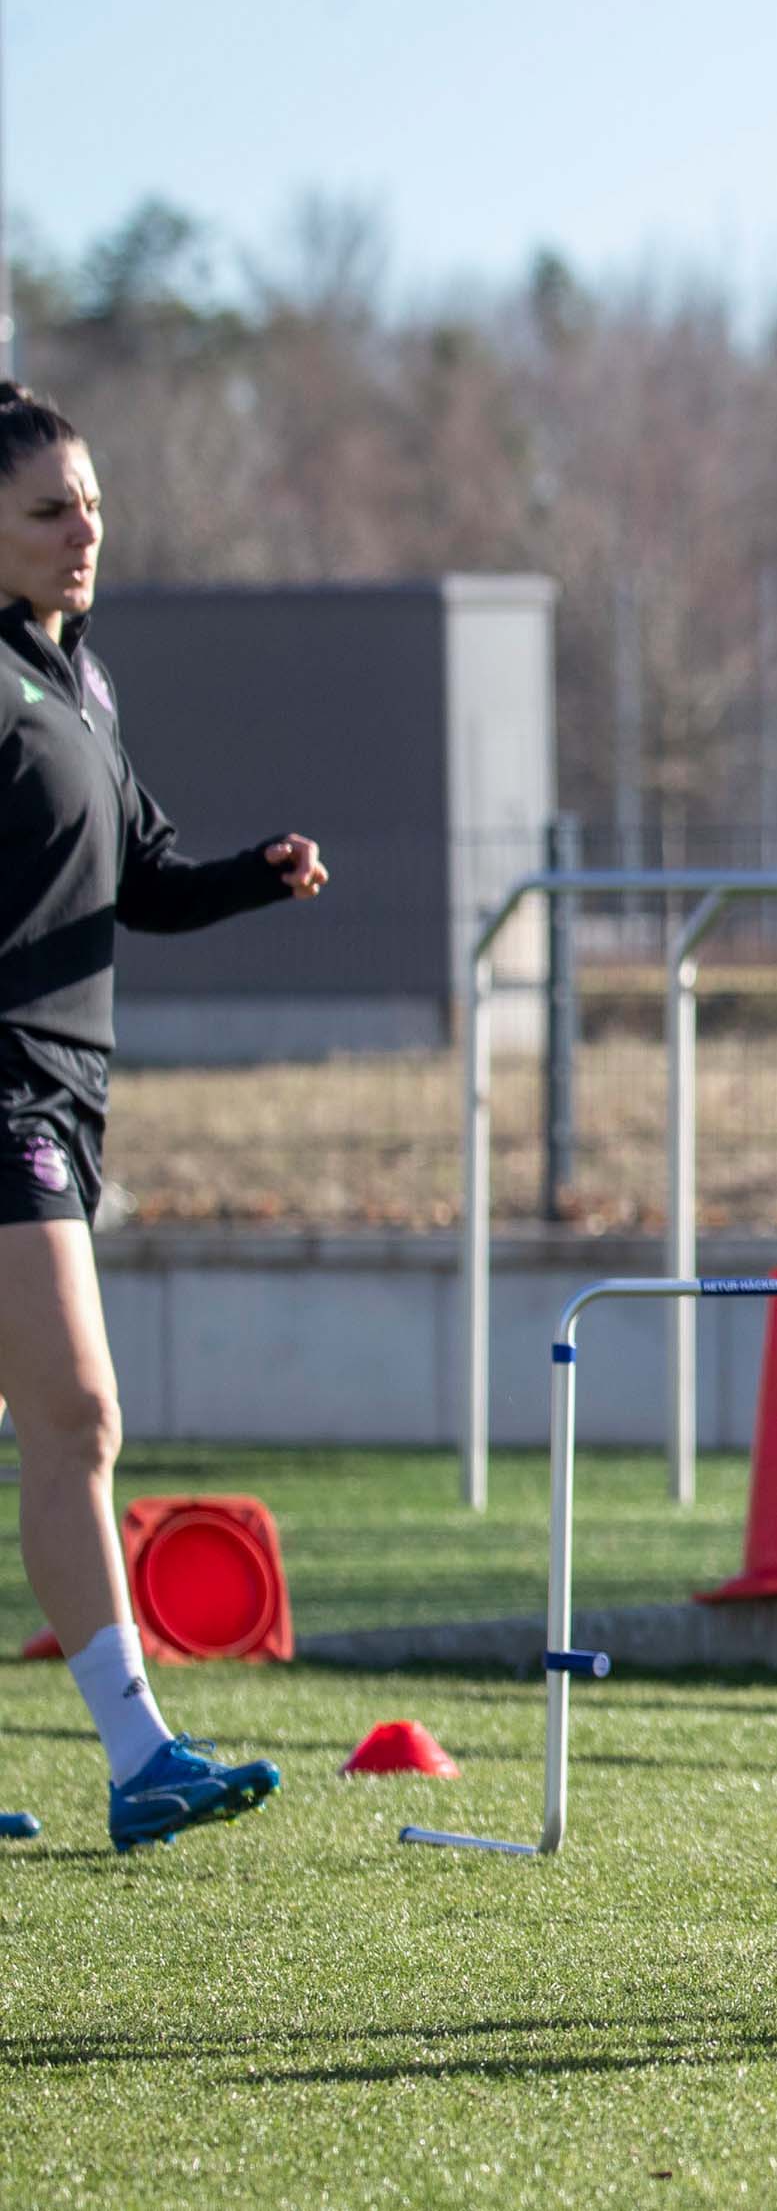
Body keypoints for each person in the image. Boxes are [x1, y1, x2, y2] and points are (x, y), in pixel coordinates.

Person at [0, 383, 333, 1851]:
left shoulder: (85, 680)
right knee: (79, 1410)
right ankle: (142, 1761)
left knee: (61, 1422)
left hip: (71, 1098)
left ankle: (140, 1763)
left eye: (90, 506)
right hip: (0, 1092)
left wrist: (257, 872)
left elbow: (143, 882)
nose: (84, 534)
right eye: (48, 512)